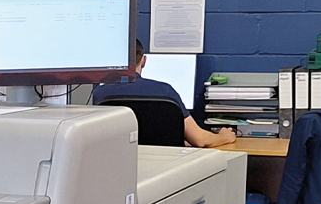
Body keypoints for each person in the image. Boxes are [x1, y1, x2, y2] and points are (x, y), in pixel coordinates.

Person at [92, 40, 236, 148]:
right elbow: (200, 140)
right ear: (143, 61)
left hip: (119, 172)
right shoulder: (165, 91)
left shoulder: (100, 94)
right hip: (165, 171)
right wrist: (224, 137)